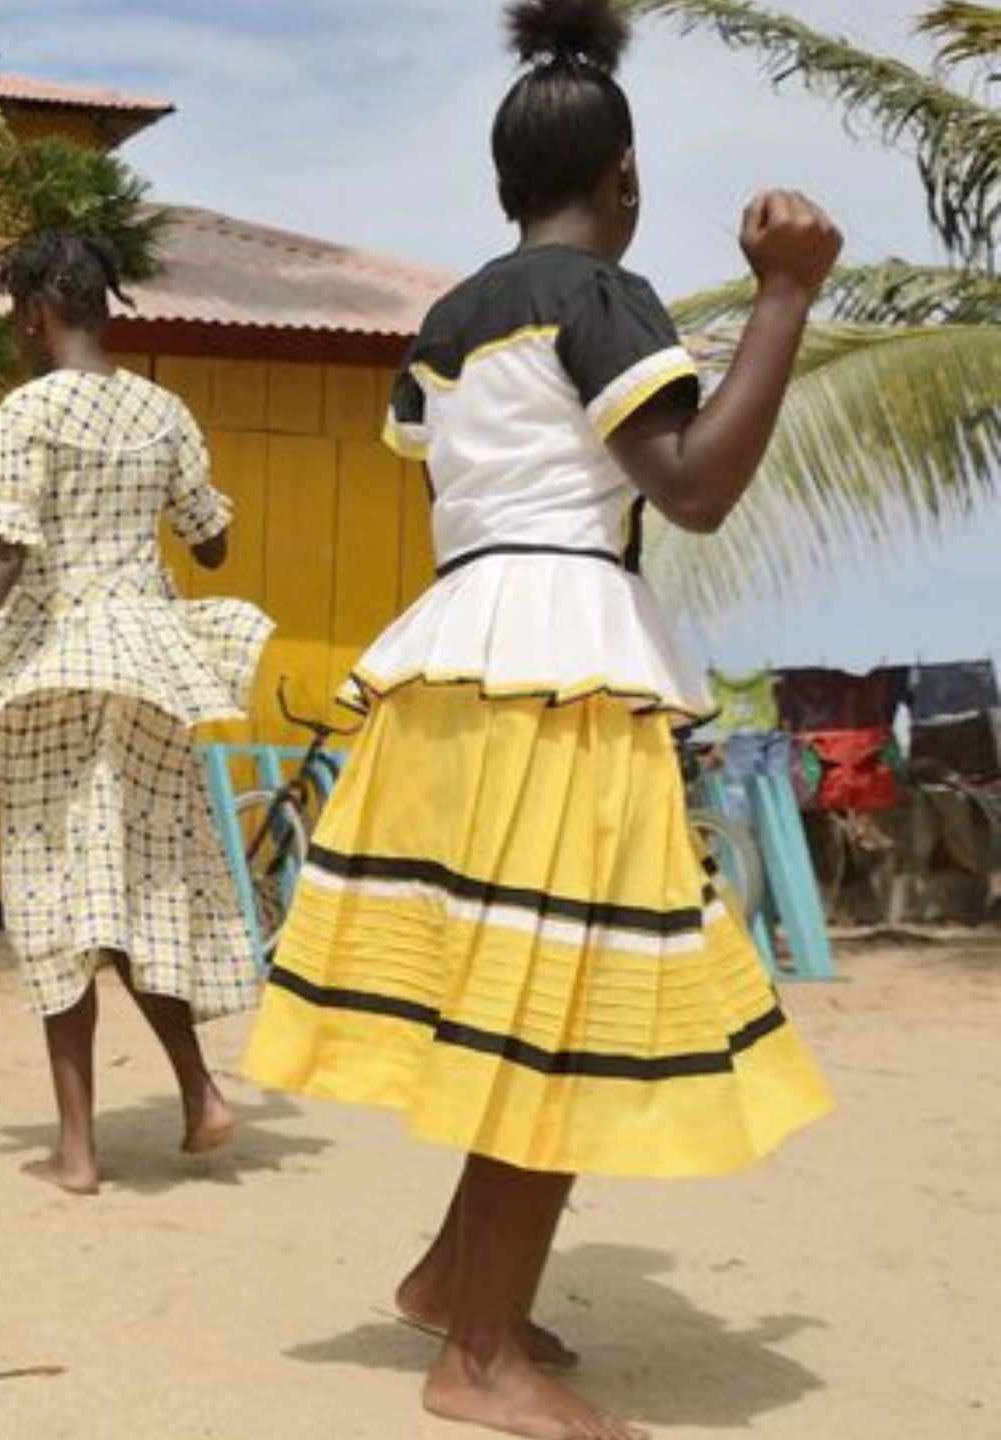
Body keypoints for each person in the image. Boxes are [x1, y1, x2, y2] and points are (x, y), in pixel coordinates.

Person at [235, 4, 840, 1438]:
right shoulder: (603, 295)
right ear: (621, 178)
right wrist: (782, 301)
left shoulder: (451, 320)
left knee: (526, 994)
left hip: (460, 663)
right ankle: (483, 1362)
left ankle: (456, 1285)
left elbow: (450, 465)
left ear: (507, 187)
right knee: (555, 1014)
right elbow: (688, 486)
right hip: (563, 671)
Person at [0, 229, 273, 1196]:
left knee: (61, 900)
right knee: (136, 887)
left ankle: (78, 1147)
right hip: (150, 667)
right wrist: (162, 508)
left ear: (33, 310)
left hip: (61, 671)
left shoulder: (27, 413)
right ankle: (200, 1095)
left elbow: (4, 551)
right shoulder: (165, 410)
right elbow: (213, 542)